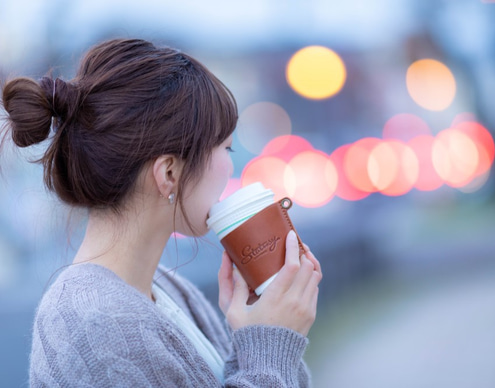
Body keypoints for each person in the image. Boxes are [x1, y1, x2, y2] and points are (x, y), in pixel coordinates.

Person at [1, 38, 322, 387]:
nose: (231, 169)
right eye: (226, 147)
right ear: (169, 173)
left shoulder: (165, 289)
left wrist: (262, 330)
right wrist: (269, 346)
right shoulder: (95, 324)